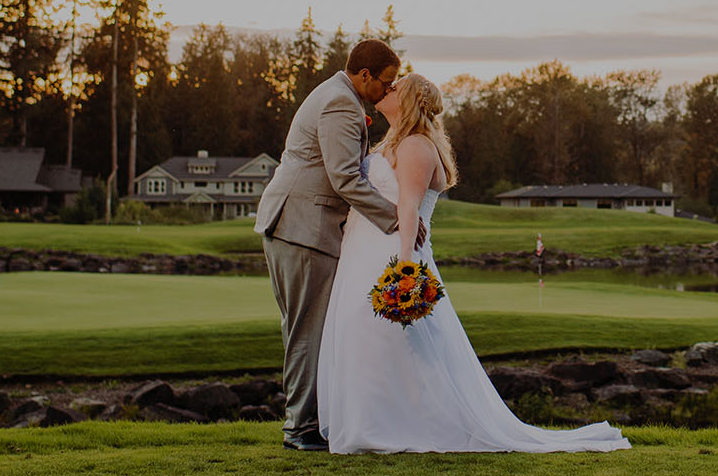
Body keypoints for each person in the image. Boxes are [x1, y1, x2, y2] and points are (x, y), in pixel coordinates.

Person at [316, 72, 630, 454]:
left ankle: (393, 428)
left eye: (396, 87)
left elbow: (409, 207)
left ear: (409, 100)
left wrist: (405, 267)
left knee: (392, 340)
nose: (388, 89)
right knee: (366, 339)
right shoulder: (392, 142)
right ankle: (369, 424)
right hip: (362, 252)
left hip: (391, 253)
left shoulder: (416, 145)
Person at [254, 39, 424, 452]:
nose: (388, 90)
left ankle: (305, 421)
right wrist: (396, 218)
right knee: (306, 330)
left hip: (295, 224)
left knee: (302, 327)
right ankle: (300, 428)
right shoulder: (340, 104)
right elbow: (345, 177)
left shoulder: (337, 95)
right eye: (385, 82)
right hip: (303, 226)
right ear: (365, 75)